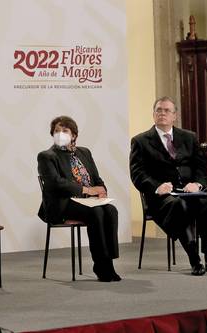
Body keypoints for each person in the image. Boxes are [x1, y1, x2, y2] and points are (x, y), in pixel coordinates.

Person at [129, 96, 207, 276]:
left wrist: (197, 184)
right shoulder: (140, 141)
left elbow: (201, 168)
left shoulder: (189, 137)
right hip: (162, 198)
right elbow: (137, 174)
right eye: (158, 110)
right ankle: (194, 257)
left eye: (167, 110)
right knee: (179, 206)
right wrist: (156, 187)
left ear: (175, 116)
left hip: (188, 191)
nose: (162, 113)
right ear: (153, 114)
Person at [37, 116, 120, 282]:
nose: (60, 134)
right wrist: (87, 190)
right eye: (56, 131)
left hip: (87, 201)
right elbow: (56, 184)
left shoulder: (84, 152)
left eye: (65, 130)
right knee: (96, 212)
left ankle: (109, 262)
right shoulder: (47, 156)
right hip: (63, 204)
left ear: (74, 135)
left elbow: (96, 177)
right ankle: (101, 265)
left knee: (111, 210)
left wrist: (102, 190)